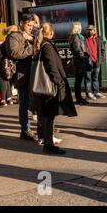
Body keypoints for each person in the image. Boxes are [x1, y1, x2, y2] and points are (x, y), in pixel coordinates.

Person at [34, 23, 77, 154]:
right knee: (49, 116)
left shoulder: (43, 45)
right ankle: (48, 145)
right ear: (51, 32)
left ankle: (48, 144)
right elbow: (52, 67)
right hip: (50, 87)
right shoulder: (47, 46)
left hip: (46, 87)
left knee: (48, 116)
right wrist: (59, 82)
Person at [5, 13, 37, 141]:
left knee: (35, 100)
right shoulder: (14, 36)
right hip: (22, 74)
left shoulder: (30, 35)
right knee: (24, 102)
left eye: (32, 25)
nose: (30, 28)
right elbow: (15, 53)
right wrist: (32, 50)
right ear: (22, 23)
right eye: (28, 25)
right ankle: (25, 129)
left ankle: (43, 126)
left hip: (33, 72)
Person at [0, 25, 18, 107]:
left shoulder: (7, 41)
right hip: (11, 63)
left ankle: (3, 100)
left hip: (5, 63)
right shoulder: (13, 40)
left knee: (2, 79)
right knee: (8, 79)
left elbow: (1, 54)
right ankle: (9, 98)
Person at [68, 22, 90, 105]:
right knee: (78, 80)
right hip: (79, 61)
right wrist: (83, 58)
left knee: (79, 80)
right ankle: (79, 98)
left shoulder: (77, 36)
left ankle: (79, 98)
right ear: (77, 28)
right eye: (80, 26)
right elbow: (78, 49)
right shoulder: (75, 37)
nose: (81, 27)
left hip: (79, 60)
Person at [84, 25, 106, 100]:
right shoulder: (84, 39)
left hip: (96, 61)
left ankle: (96, 92)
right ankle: (89, 93)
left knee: (95, 77)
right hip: (88, 61)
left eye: (92, 30)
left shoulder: (98, 39)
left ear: (94, 31)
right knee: (88, 78)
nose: (90, 31)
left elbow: (102, 50)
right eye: (89, 30)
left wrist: (101, 60)